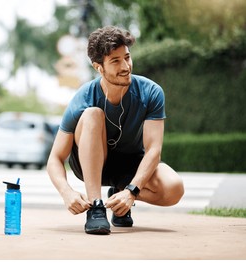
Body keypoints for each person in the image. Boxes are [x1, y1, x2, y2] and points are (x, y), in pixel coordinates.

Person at [47, 26, 184, 235]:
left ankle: (119, 196)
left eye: (127, 58)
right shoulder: (84, 96)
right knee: (93, 114)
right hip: (89, 162)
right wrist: (66, 192)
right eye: (115, 61)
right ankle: (96, 207)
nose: (126, 66)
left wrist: (131, 192)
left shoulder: (151, 92)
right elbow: (55, 157)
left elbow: (154, 150)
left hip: (129, 163)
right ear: (99, 67)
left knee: (174, 188)